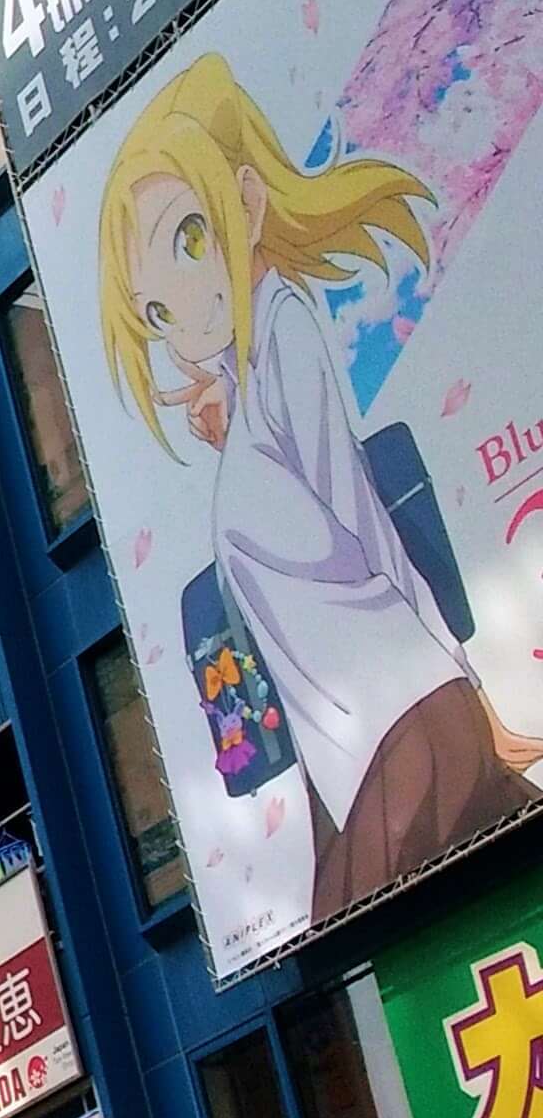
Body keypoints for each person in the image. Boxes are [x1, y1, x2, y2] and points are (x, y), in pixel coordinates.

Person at [98, 55, 543, 915]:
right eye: (155, 312)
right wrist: (231, 414)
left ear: (248, 202)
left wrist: (470, 690)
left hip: (405, 724)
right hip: (350, 756)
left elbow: (367, 525)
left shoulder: (288, 334)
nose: (182, 312)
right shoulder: (252, 374)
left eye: (192, 239)